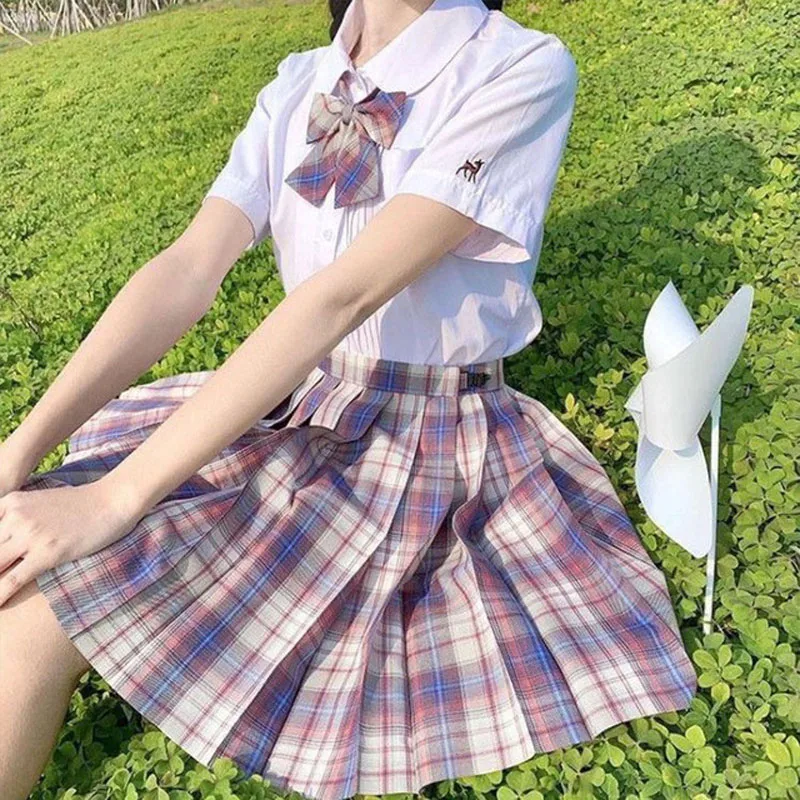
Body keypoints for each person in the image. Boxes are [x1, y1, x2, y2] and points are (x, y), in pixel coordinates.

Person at [0, 0, 698, 798]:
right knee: (19, 563)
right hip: (296, 400)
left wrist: (117, 498)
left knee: (33, 612)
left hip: (419, 439)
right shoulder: (299, 81)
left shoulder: (518, 66)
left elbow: (347, 295)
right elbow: (189, 268)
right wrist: (19, 450)